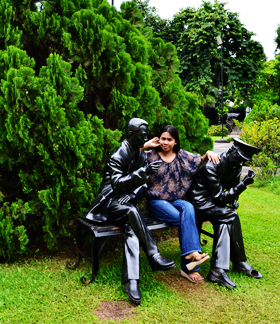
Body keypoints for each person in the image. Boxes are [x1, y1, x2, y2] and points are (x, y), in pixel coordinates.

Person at [83, 118, 175, 305]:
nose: (147, 137)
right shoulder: (118, 155)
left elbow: (143, 185)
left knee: (131, 227)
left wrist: (132, 192)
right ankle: (153, 255)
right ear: (131, 135)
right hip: (108, 203)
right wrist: (142, 173)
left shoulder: (140, 155)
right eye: (143, 134)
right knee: (132, 212)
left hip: (125, 203)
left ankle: (131, 281)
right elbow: (116, 185)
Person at [143, 125, 220, 283]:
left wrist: (208, 153)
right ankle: (190, 264)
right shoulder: (150, 155)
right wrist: (144, 146)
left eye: (169, 139)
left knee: (188, 207)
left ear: (175, 141)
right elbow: (126, 156)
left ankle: (190, 256)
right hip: (156, 202)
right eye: (163, 138)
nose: (165, 142)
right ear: (158, 139)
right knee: (183, 218)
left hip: (175, 200)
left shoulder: (181, 155)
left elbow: (198, 160)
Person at [188, 138, 262, 290]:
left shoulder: (235, 165)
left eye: (244, 161)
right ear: (231, 152)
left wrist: (234, 199)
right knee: (231, 216)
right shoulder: (212, 165)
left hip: (214, 203)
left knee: (224, 221)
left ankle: (218, 269)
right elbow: (220, 198)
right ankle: (238, 261)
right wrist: (243, 185)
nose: (240, 164)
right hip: (199, 202)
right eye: (239, 159)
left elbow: (231, 190)